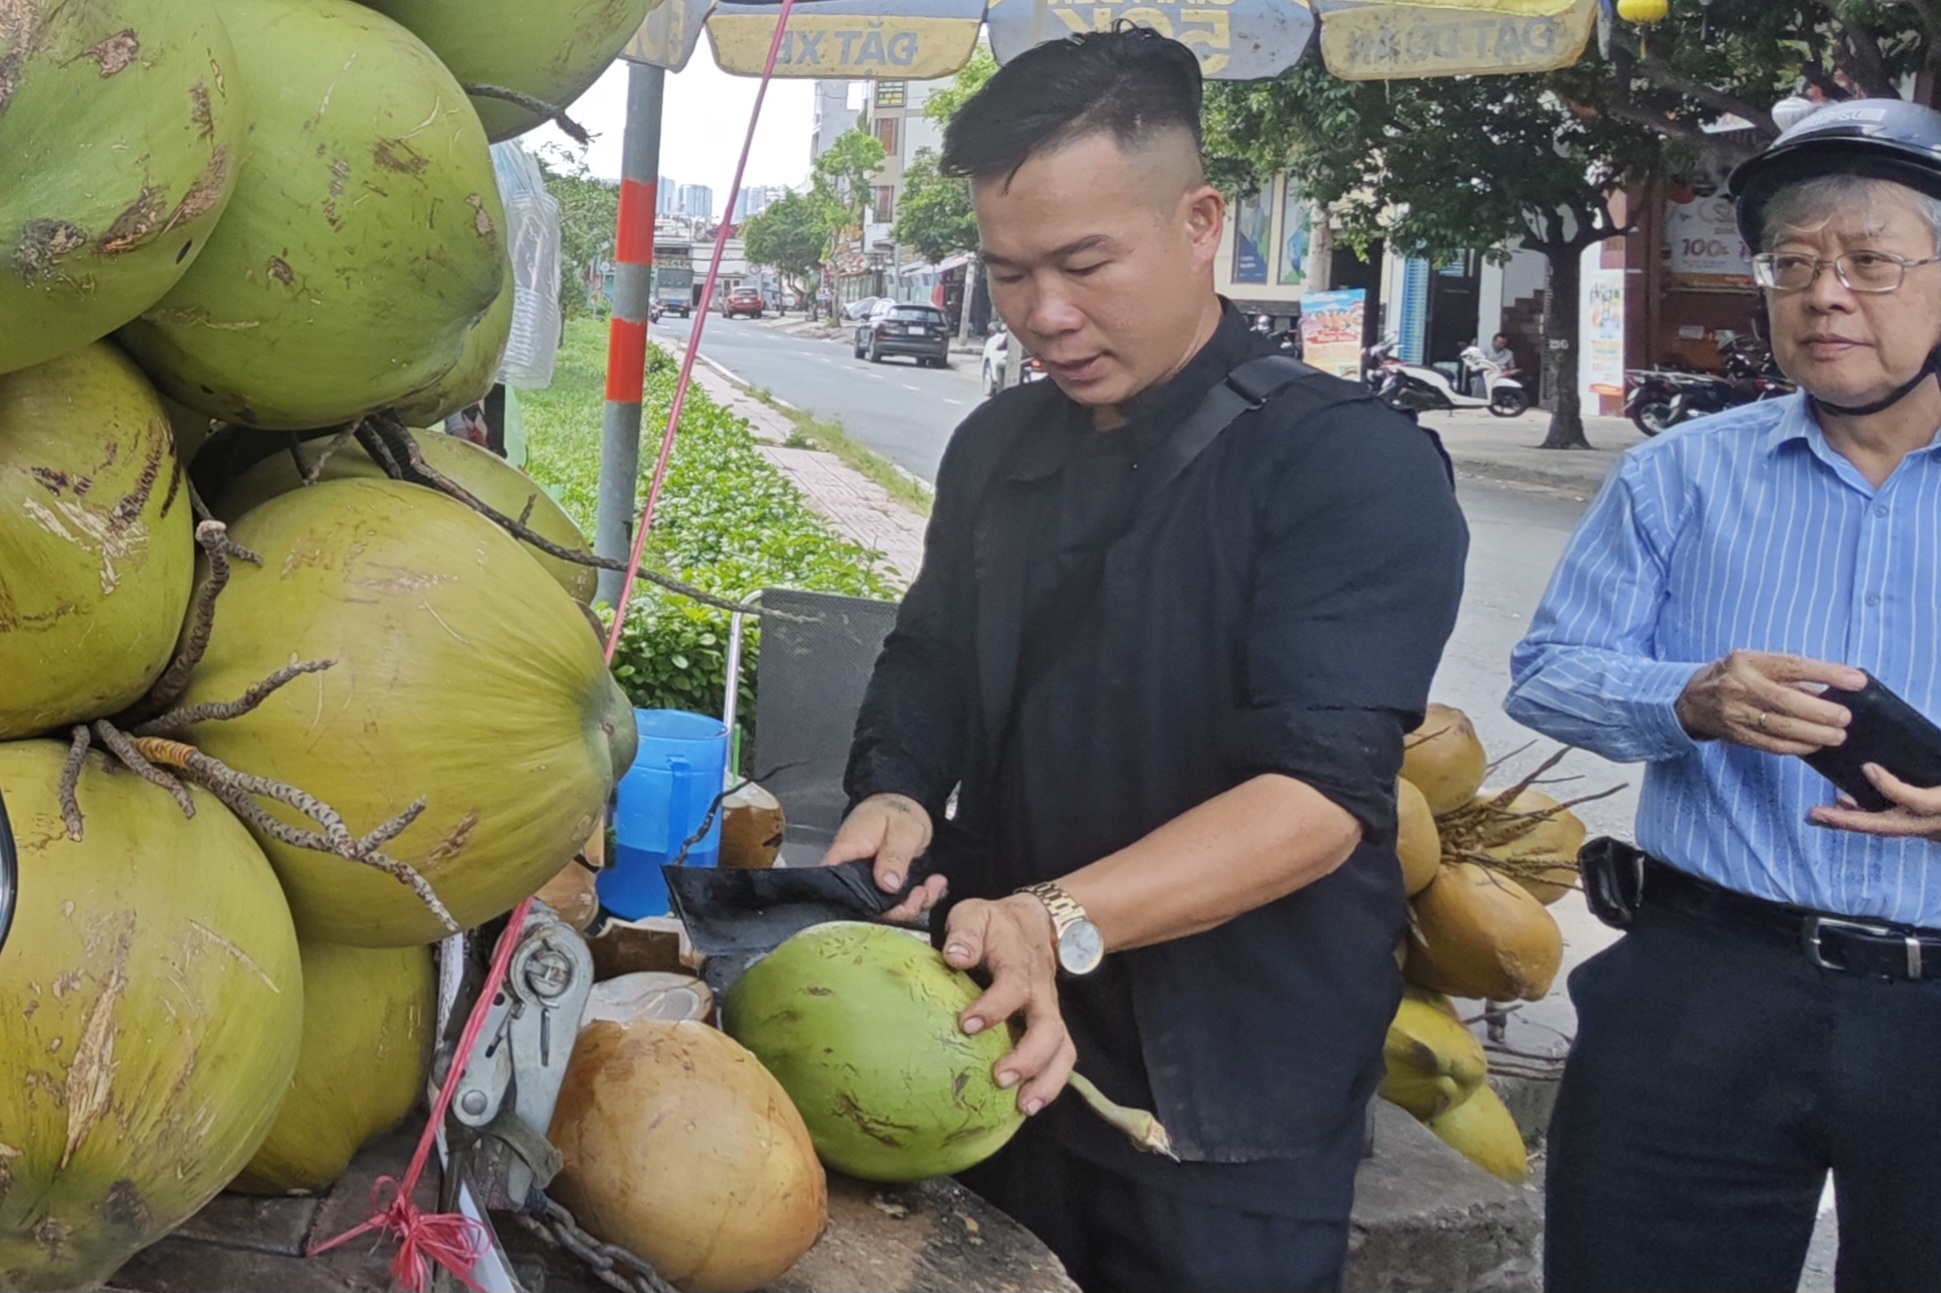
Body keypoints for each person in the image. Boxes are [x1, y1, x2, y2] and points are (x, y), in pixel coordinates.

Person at [822, 28, 1468, 1293]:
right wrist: (895, 786)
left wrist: (1054, 917)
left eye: (1084, 263)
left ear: (1199, 220)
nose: (1045, 315)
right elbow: (933, 653)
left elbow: (1318, 803)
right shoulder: (999, 443)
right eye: (1008, 273)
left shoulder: (1347, 465)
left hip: (1223, 1106)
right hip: (993, 1055)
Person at [1506, 99, 1941, 1293]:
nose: (1825, 294)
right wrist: (1687, 699)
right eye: (1792, 264)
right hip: (1706, 981)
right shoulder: (1678, 475)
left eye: (1870, 261)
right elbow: (1548, 673)